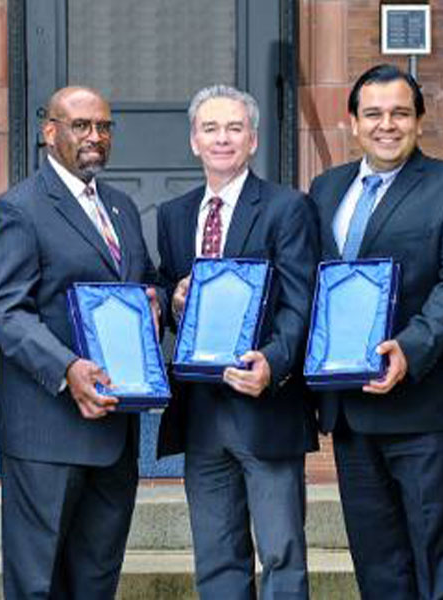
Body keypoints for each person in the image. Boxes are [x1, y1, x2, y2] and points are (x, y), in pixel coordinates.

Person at [308, 63, 443, 599]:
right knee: (377, 563)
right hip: (352, 412)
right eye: (373, 114)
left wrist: (410, 349)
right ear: (353, 123)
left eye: (399, 113)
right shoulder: (326, 190)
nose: (386, 124)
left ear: (418, 122)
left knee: (437, 560)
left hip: (424, 412)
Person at [0, 85, 162, 599]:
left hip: (114, 431)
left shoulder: (122, 208)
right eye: (81, 125)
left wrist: (155, 300)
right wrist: (66, 369)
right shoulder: (19, 209)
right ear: (50, 132)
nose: (95, 137)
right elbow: (6, 311)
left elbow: (142, 280)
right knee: (38, 583)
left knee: (96, 581)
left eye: (104, 126)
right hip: (47, 431)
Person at [156, 84, 319, 599]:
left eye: (233, 128)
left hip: (265, 408)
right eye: (210, 128)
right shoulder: (175, 215)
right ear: (193, 141)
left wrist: (272, 363)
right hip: (202, 413)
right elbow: (165, 289)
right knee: (217, 558)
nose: (221, 138)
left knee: (280, 554)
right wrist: (173, 300)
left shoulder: (287, 208)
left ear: (252, 140)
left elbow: (302, 302)